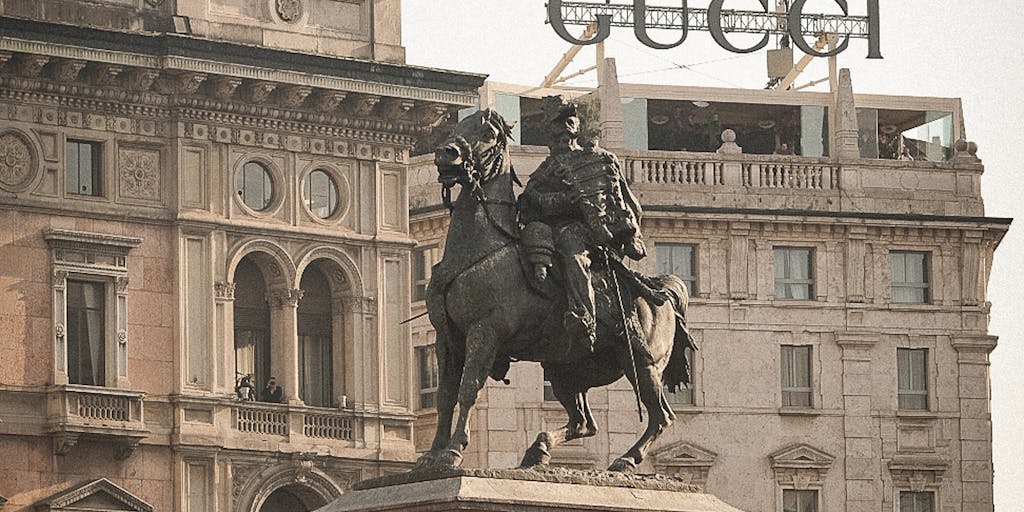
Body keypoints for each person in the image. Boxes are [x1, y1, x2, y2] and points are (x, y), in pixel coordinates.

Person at [519, 96, 647, 352]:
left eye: (568, 122)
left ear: (576, 126)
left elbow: (624, 200)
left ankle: (584, 318)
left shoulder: (602, 159)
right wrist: (562, 201)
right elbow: (528, 200)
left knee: (571, 250)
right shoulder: (549, 166)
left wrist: (626, 231)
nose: (563, 130)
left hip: (589, 230)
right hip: (553, 227)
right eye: (557, 125)